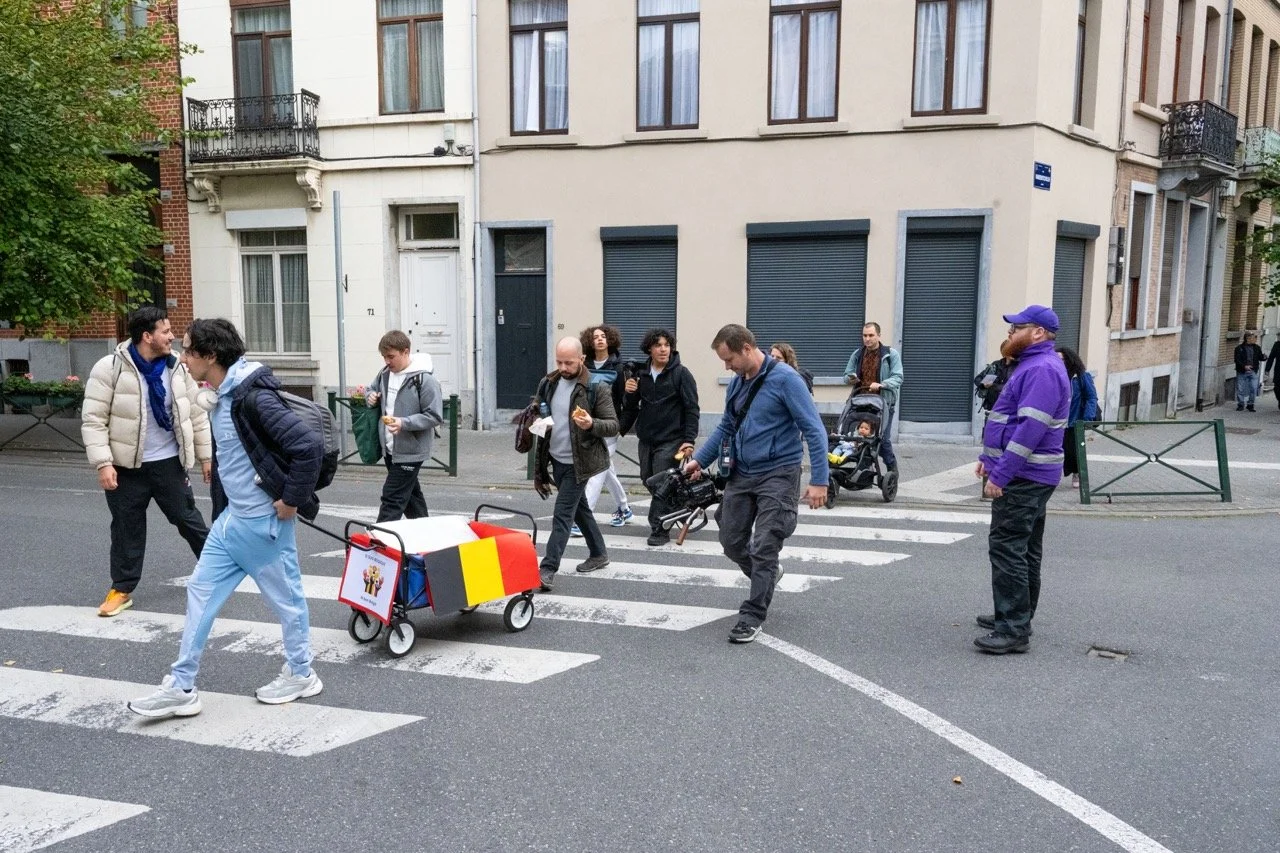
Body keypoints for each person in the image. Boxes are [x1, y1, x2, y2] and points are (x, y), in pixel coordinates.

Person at [128, 319, 327, 718]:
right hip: (231, 524)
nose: (182, 358)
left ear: (211, 356)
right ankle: (181, 685)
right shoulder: (221, 393)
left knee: (287, 603)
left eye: (188, 351)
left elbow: (308, 447)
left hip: (263, 526)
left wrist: (290, 501)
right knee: (198, 593)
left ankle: (302, 673)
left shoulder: (252, 399)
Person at [684, 324, 829, 645]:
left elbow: (815, 430)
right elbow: (726, 427)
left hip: (778, 474)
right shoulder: (737, 383)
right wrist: (699, 460)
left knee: (765, 544)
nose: (726, 367)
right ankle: (767, 574)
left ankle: (752, 614)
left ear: (747, 349)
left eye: (729, 359)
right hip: (741, 472)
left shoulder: (787, 381)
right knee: (731, 539)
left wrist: (820, 479)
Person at [81, 307, 212, 617]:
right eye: (165, 331)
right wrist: (103, 463)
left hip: (168, 463)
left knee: (188, 519)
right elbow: (93, 419)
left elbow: (195, 413)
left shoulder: (177, 368)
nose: (172, 337)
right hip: (126, 467)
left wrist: (206, 457)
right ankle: (122, 590)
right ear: (146, 336)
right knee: (127, 529)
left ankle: (218, 571)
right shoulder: (110, 368)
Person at [973, 305, 1070, 655]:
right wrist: (988, 458)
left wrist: (1001, 474)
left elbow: (1030, 430)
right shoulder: (1032, 365)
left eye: (1017, 328)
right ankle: (1015, 615)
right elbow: (1008, 419)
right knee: (1025, 547)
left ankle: (1013, 628)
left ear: (1038, 333)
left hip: (1025, 477)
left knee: (1008, 547)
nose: (1010, 334)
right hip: (1030, 474)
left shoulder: (1041, 369)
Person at [532, 337, 620, 591]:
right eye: (558, 361)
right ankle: (599, 553)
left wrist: (592, 424)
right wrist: (535, 414)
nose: (563, 367)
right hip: (556, 459)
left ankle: (547, 569)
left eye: (569, 362)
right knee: (580, 509)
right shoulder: (548, 382)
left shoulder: (595, 387)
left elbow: (613, 425)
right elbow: (539, 407)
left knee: (562, 515)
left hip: (581, 462)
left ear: (582, 359)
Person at [620, 328, 700, 546]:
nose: (663, 349)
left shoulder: (681, 374)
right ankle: (681, 505)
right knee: (648, 480)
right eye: (658, 345)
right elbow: (631, 407)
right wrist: (628, 393)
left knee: (663, 482)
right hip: (646, 438)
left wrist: (689, 440)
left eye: (667, 345)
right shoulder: (641, 374)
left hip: (672, 439)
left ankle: (659, 529)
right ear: (650, 349)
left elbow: (692, 409)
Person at [363, 330, 443, 523]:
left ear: (405, 352)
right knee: (412, 499)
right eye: (384, 357)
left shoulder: (425, 380)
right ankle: (428, 536)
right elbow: (370, 389)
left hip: (411, 450)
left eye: (391, 356)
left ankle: (380, 543)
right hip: (390, 448)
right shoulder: (384, 374)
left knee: (392, 497)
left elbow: (434, 416)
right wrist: (370, 396)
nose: (387, 362)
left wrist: (404, 423)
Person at [577, 325, 633, 530]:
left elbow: (626, 401)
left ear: (610, 340)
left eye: (603, 336)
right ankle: (624, 508)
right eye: (595, 337)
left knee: (596, 470)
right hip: (588, 424)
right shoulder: (585, 365)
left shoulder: (619, 367)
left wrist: (620, 427)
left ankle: (585, 517)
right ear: (590, 343)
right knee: (606, 468)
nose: (599, 340)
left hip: (609, 426)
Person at [842, 322, 903, 472]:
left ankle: (891, 468)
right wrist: (850, 378)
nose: (867, 339)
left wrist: (882, 384)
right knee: (861, 437)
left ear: (878, 336)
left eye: (871, 335)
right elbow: (845, 375)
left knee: (882, 439)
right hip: (861, 402)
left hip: (883, 404)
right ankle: (865, 469)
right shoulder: (857, 354)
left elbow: (899, 377)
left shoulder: (890, 355)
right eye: (864, 335)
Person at [1057, 346, 1099, 490]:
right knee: (1054, 449)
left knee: (1072, 451)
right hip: (1057, 420)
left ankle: (1077, 473)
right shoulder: (1055, 375)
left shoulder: (1081, 376)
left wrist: (1087, 418)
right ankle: (1051, 474)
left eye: (1061, 359)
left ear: (1069, 360)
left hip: (1075, 420)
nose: (1058, 361)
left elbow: (1091, 397)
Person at [973, 339, 1016, 414]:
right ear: (1005, 352)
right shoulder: (996, 365)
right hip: (992, 407)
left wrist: (993, 386)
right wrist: (984, 385)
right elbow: (978, 379)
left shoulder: (1020, 366)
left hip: (1009, 408)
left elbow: (1012, 387)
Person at [1234, 332, 1265, 412]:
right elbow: (1237, 360)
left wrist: (1264, 357)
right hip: (1242, 371)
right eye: (1254, 338)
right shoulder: (1239, 348)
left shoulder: (1257, 348)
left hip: (1253, 371)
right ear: (1248, 339)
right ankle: (1241, 404)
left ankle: (1250, 404)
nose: (1255, 340)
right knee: (1241, 389)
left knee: (1254, 388)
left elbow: (1260, 357)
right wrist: (1244, 366)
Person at [1266, 336, 1280, 410]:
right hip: (1278, 370)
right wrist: (1267, 369)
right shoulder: (1277, 345)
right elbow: (1271, 357)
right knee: (1277, 388)